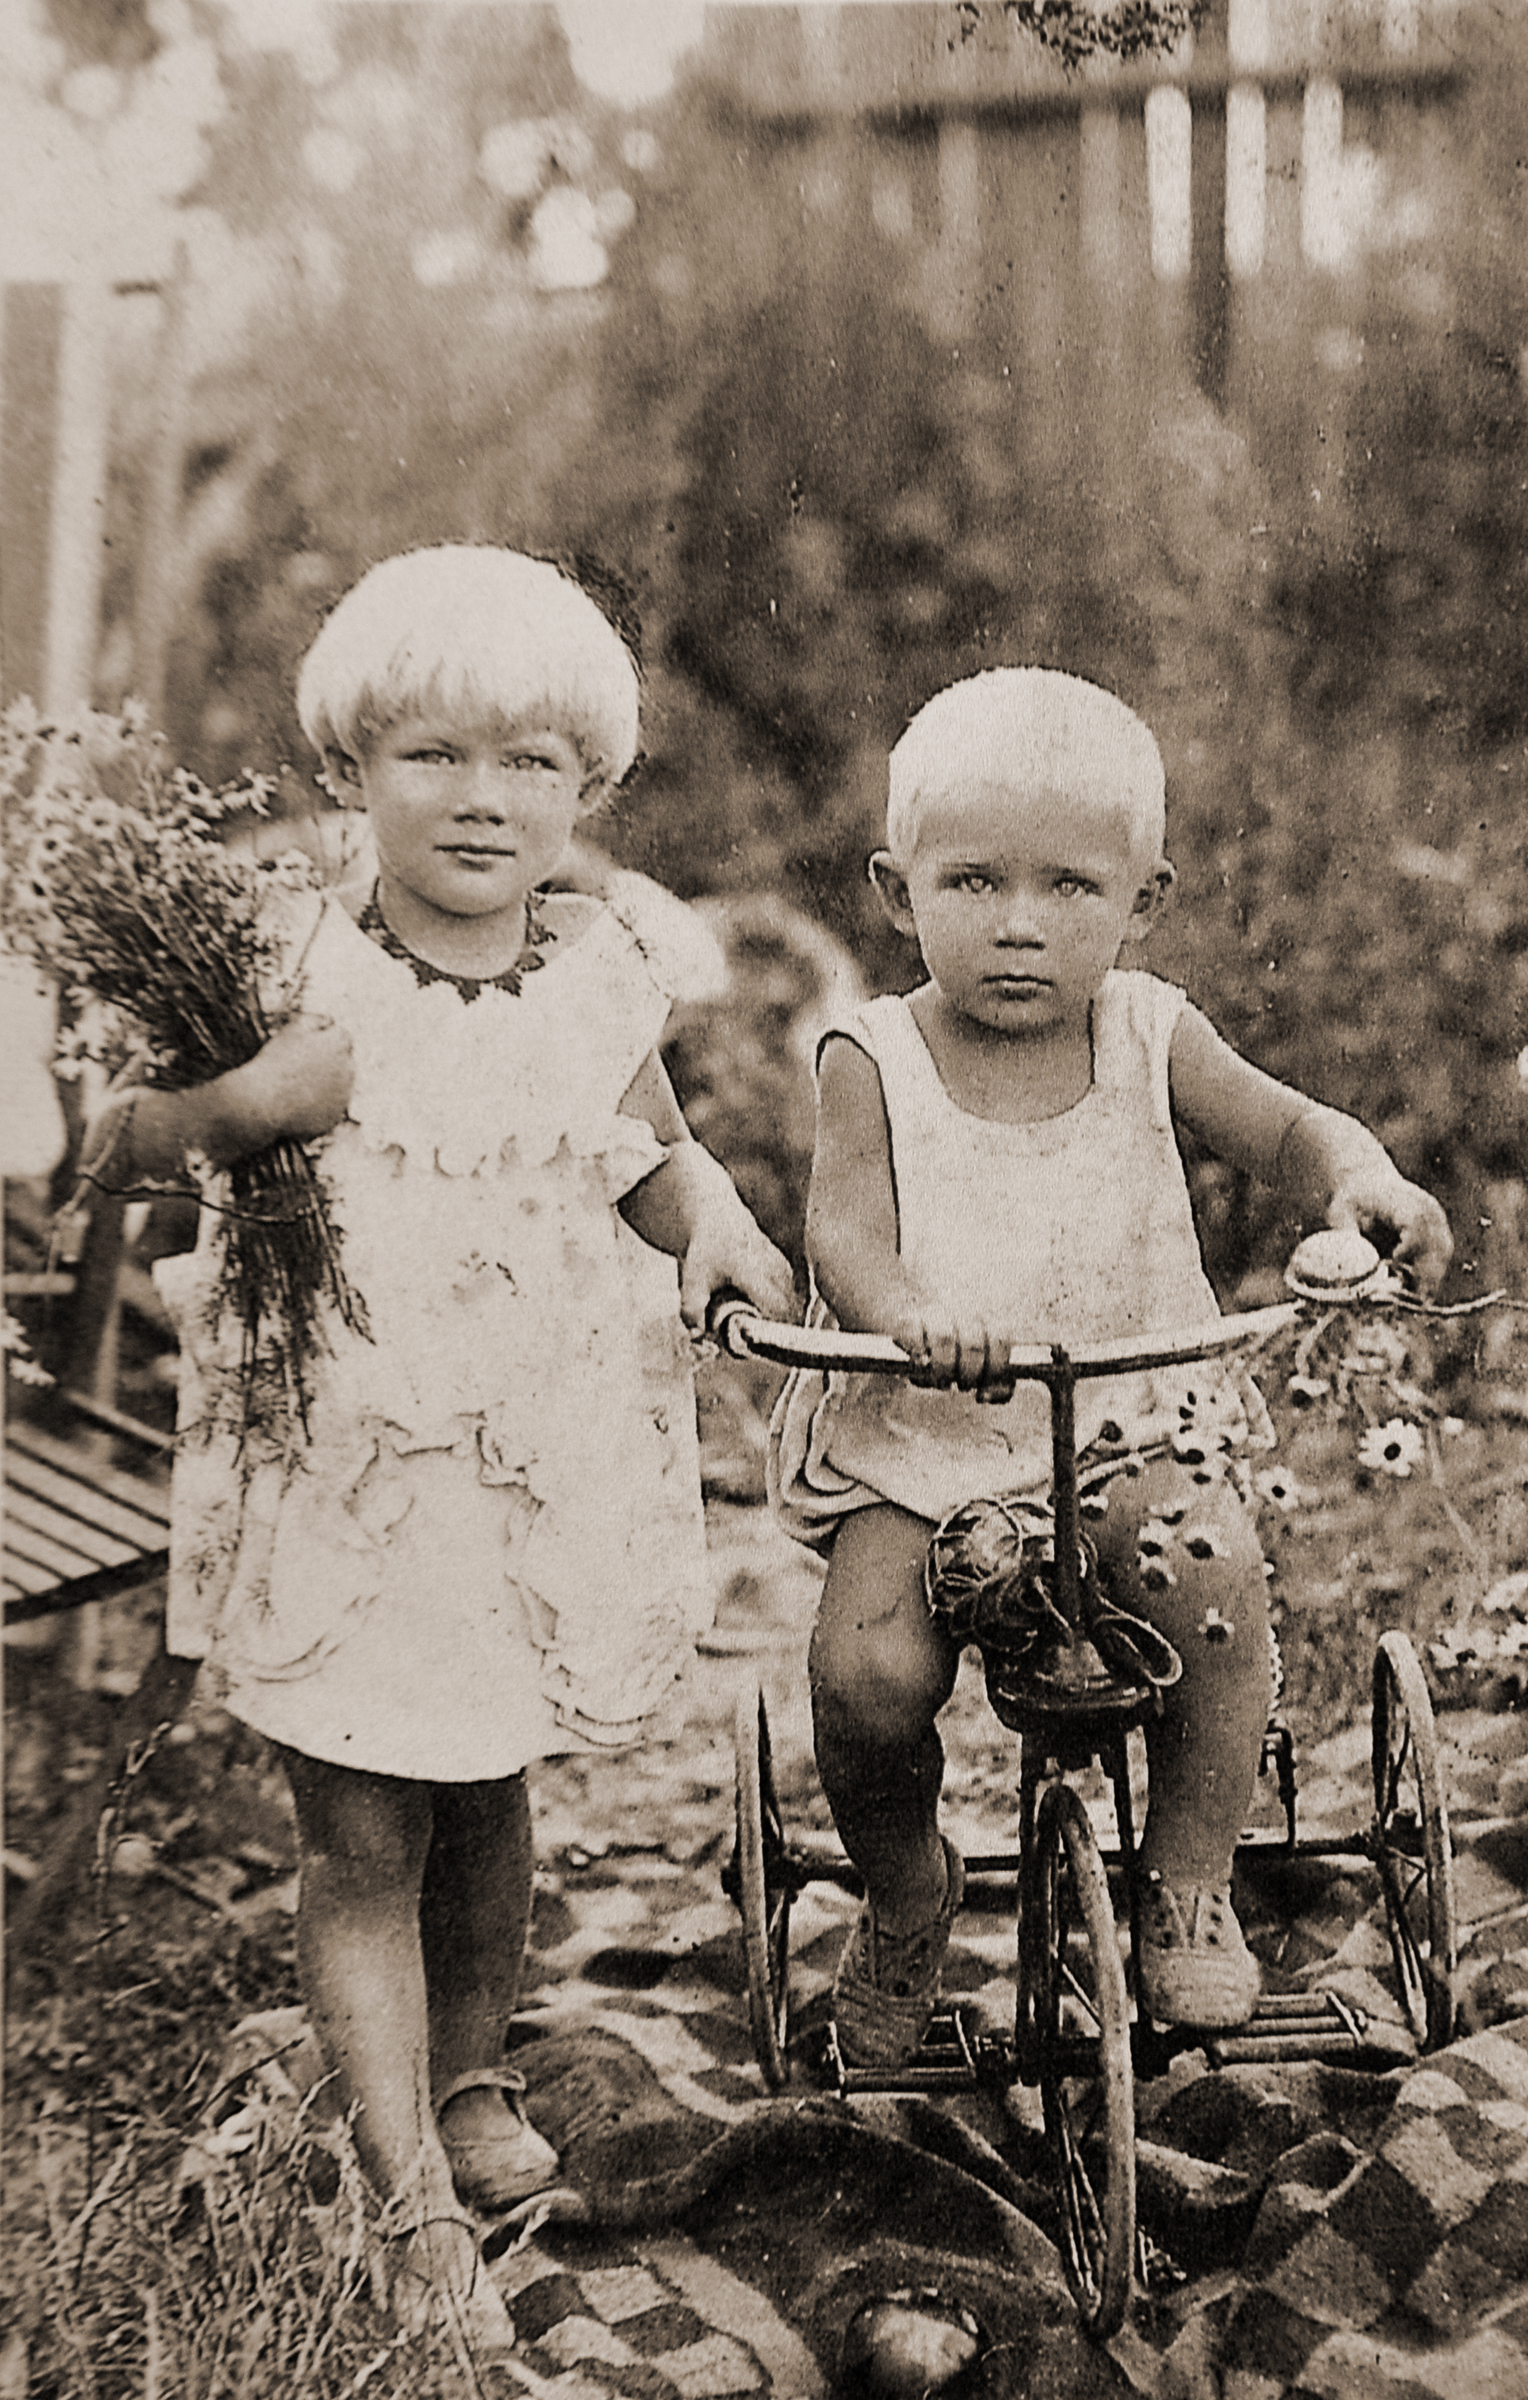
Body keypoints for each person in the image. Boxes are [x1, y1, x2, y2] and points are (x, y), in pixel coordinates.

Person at [83, 546, 795, 2352]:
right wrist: (250, 1103)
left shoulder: (598, 970)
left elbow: (646, 1154)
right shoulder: (285, 961)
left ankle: (467, 2074)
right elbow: (125, 1143)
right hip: (348, 1464)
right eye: (435, 757)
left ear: (587, 788)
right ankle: (406, 2201)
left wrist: (716, 1225)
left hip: (526, 1463)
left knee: (490, 1790)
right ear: (350, 771)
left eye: (531, 764)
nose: (485, 800)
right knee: (364, 1827)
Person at [770, 666, 1452, 2068]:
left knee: (1214, 1581)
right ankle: (905, 1890)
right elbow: (841, 1230)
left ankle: (1189, 1880)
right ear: (897, 892)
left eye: (1070, 887)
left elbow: (1287, 1131)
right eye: (973, 883)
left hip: (1132, 1422)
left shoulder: (1149, 1032)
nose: (1019, 924)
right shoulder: (873, 1055)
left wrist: (1359, 1177)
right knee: (865, 1670)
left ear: (1143, 902)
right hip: (930, 1438)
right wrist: (908, 1313)